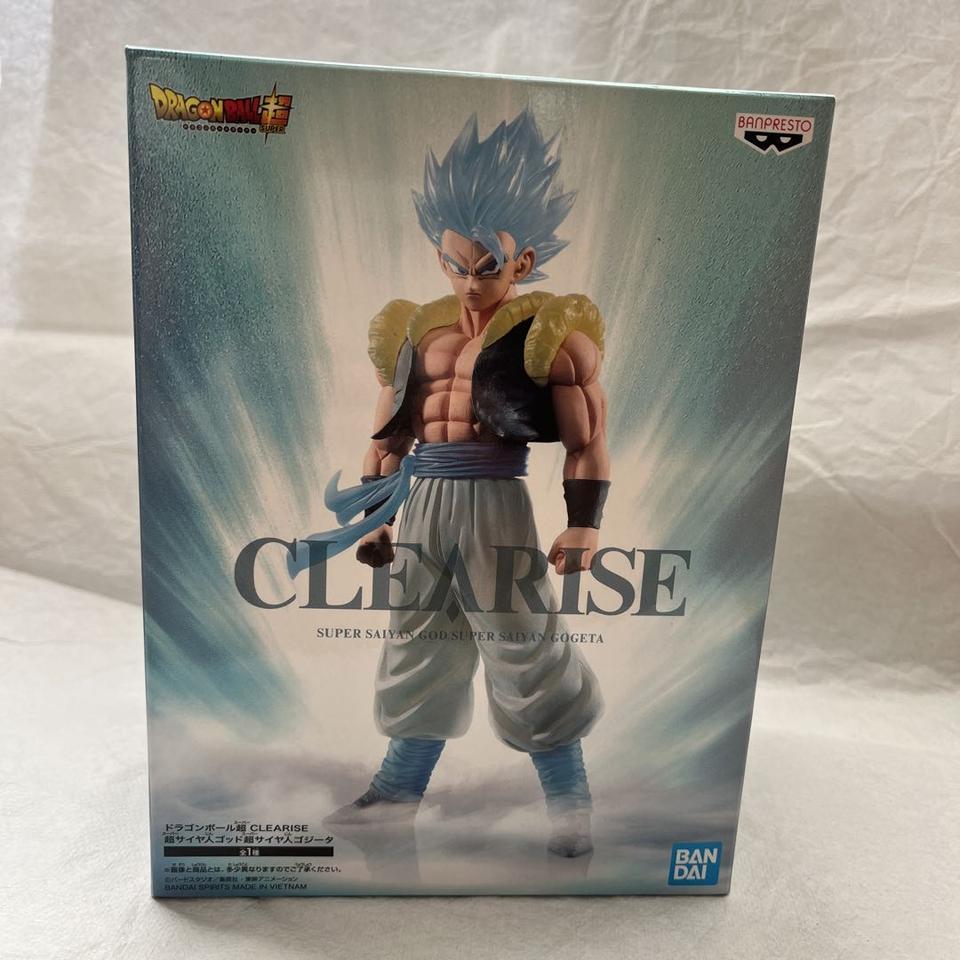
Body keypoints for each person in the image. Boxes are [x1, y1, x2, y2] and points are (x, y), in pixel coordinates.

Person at [310, 110, 610, 857]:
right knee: (419, 641)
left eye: (487, 267)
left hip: (497, 501)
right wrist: (374, 517)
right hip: (423, 502)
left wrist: (584, 522)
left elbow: (587, 441)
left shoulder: (552, 338)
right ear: (439, 255)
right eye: (455, 265)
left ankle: (570, 802)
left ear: (523, 260)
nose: (469, 282)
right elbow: (388, 439)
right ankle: (396, 794)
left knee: (523, 641)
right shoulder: (418, 335)